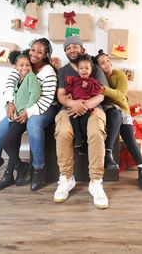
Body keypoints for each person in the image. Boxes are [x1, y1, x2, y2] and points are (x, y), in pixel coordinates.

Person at [0, 38, 58, 191]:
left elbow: (47, 98)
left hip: (45, 107)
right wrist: (10, 103)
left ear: (45, 55)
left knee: (33, 125)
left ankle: (38, 168)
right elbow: (10, 85)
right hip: (21, 106)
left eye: (40, 52)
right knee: (0, 131)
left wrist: (28, 113)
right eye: (33, 49)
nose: (35, 54)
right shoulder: (24, 63)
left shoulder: (48, 71)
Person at [53, 36, 109, 209]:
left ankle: (96, 181)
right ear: (65, 51)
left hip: (93, 108)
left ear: (82, 49)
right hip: (67, 109)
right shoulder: (63, 71)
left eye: (76, 47)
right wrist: (72, 104)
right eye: (69, 48)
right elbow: (61, 95)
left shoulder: (95, 68)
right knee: (63, 132)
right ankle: (66, 178)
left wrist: (85, 105)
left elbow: (101, 94)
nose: (72, 50)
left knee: (96, 131)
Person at [92, 49, 142, 189]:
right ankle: (108, 154)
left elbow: (120, 95)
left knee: (130, 139)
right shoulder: (97, 78)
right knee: (113, 114)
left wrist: (103, 90)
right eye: (102, 63)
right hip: (107, 110)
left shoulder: (120, 75)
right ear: (98, 67)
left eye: (107, 61)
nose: (106, 64)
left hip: (122, 110)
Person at [0, 49, 41, 191]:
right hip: (16, 117)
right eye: (21, 65)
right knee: (11, 143)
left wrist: (26, 112)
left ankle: (21, 167)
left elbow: (35, 94)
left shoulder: (31, 77)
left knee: (5, 142)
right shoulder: (18, 80)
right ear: (15, 67)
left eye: (27, 65)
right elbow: (11, 98)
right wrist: (9, 107)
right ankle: (10, 174)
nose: (25, 67)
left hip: (23, 117)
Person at [65, 53, 102, 154]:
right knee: (72, 118)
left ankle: (84, 142)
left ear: (91, 70)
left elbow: (98, 91)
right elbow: (68, 87)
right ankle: (78, 136)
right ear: (78, 69)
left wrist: (89, 87)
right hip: (74, 106)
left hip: (86, 107)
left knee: (83, 123)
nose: (84, 70)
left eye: (87, 68)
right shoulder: (74, 79)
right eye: (81, 68)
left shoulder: (92, 81)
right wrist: (68, 94)